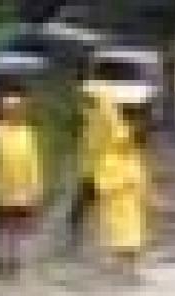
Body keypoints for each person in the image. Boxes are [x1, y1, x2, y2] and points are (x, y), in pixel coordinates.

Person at [0, 91, 44, 278]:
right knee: (3, 228)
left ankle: (18, 263)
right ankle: (4, 263)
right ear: (3, 111)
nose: (14, 113)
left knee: (21, 228)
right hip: (2, 190)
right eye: (10, 109)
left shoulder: (27, 132)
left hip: (24, 190)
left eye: (17, 109)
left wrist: (36, 188)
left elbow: (34, 161)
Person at [66, 90, 131, 256]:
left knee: (88, 207)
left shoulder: (106, 111)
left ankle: (88, 242)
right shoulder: (96, 113)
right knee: (83, 207)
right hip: (94, 168)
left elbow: (120, 138)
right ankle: (81, 241)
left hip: (103, 169)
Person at [94, 109, 152, 281]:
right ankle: (120, 273)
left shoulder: (135, 157)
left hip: (134, 209)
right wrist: (122, 183)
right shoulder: (107, 159)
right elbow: (101, 186)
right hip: (116, 209)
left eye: (130, 140)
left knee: (135, 243)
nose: (128, 143)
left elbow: (142, 180)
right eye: (124, 140)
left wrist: (148, 198)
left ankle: (132, 272)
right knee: (120, 243)